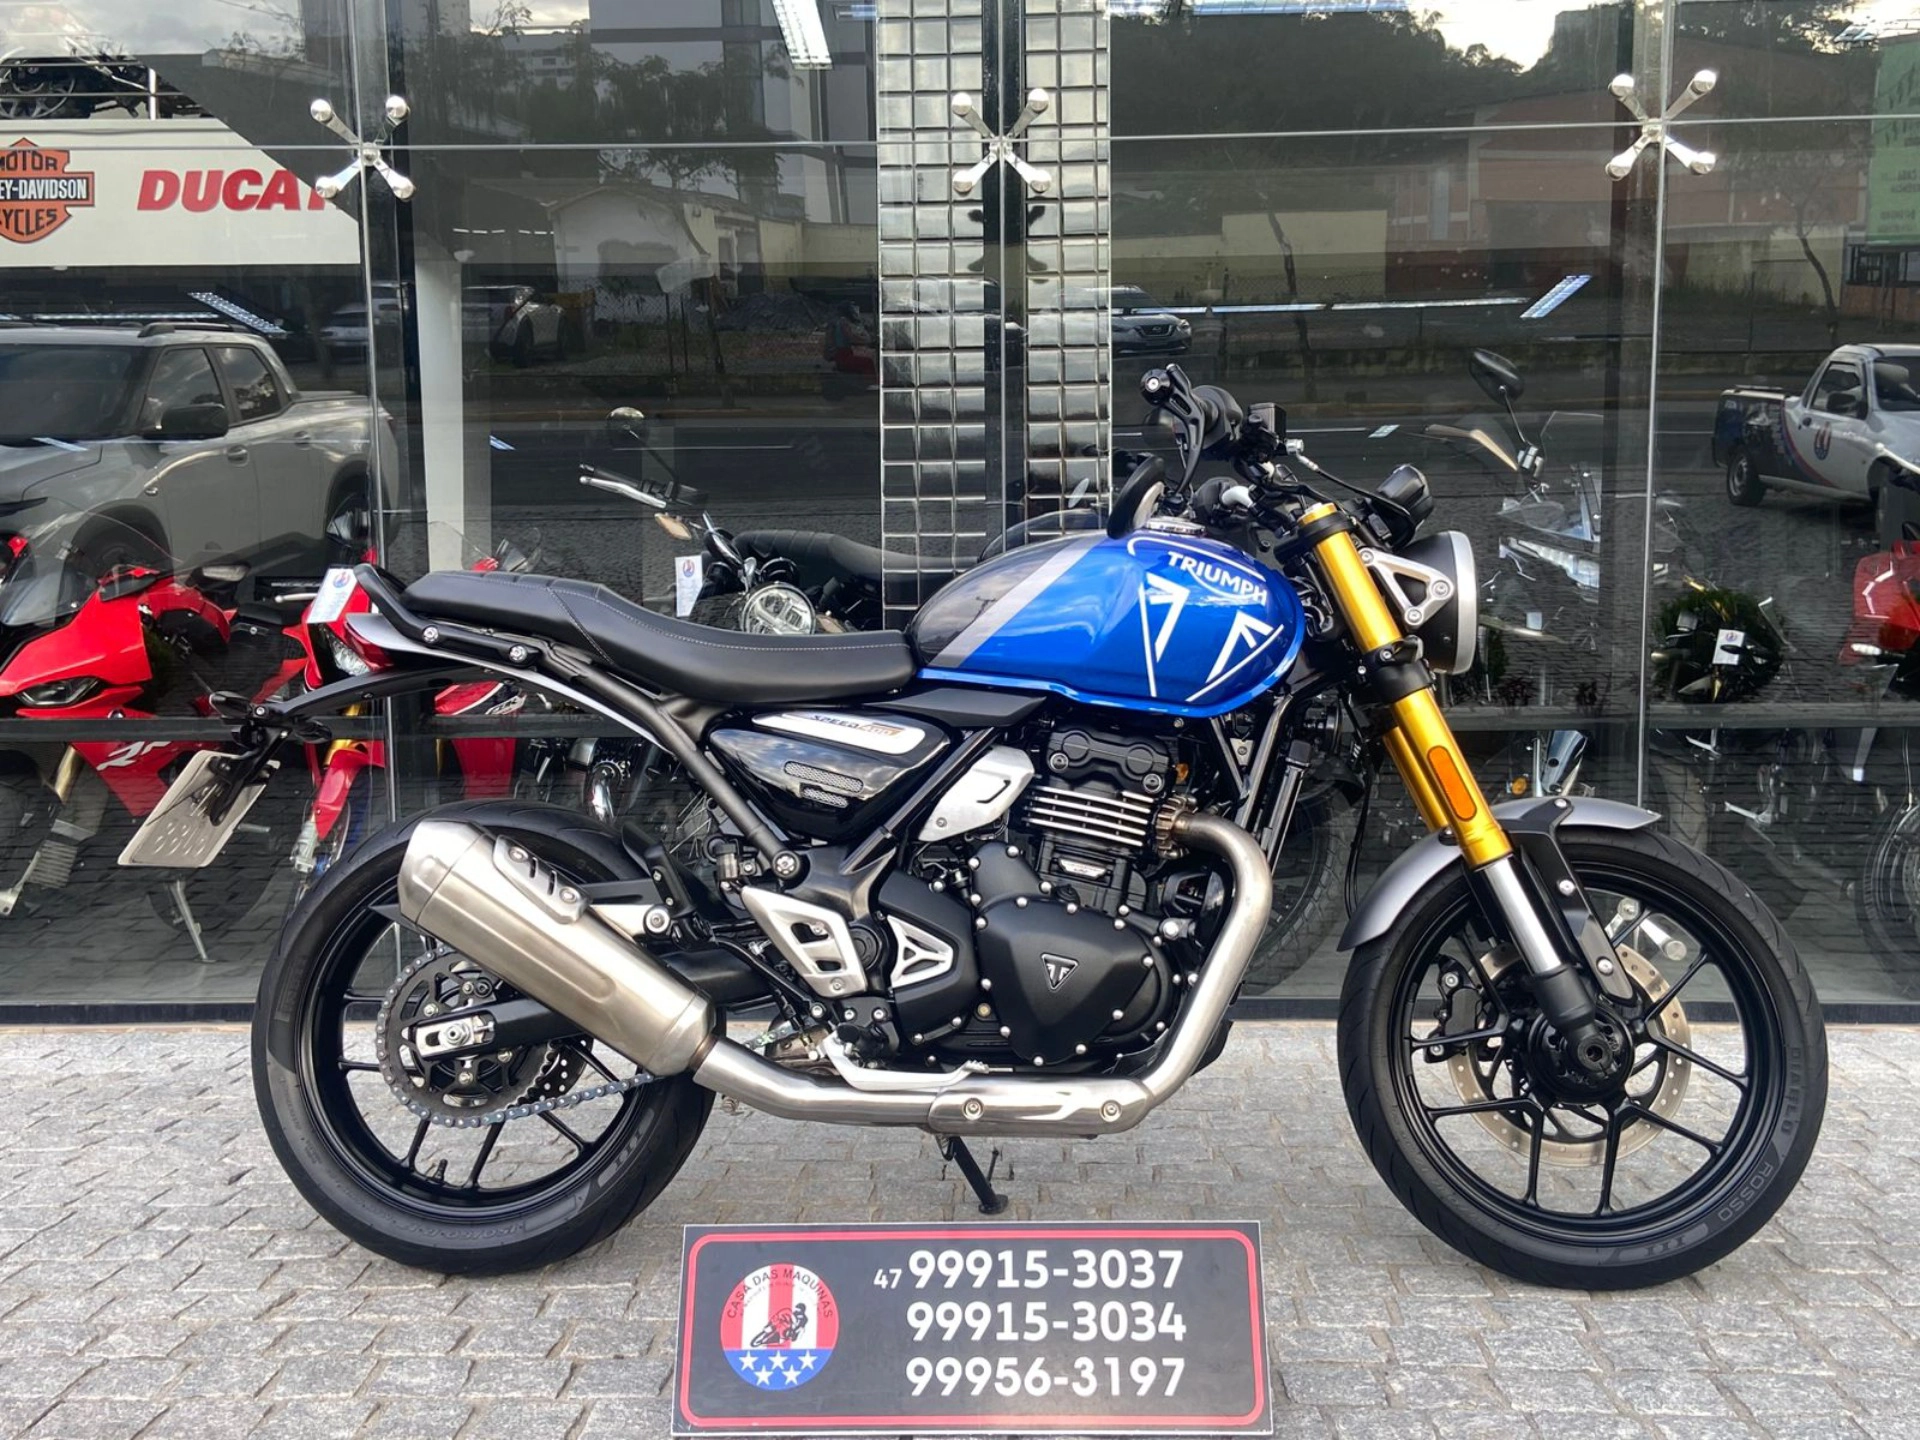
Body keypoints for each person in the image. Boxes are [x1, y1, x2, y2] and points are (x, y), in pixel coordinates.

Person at [822, 302, 874, 376]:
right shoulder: (843, 321)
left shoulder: (838, 322)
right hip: (843, 356)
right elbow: (851, 337)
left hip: (842, 355)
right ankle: (871, 381)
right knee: (869, 362)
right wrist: (867, 341)